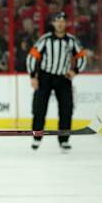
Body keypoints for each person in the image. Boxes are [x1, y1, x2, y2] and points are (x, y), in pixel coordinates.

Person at [26, 12, 87, 151]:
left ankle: (64, 139)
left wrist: (75, 71)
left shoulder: (71, 40)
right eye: (57, 21)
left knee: (66, 109)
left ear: (66, 23)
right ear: (53, 23)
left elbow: (82, 57)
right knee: (39, 109)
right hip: (45, 77)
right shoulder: (45, 39)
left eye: (63, 21)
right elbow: (32, 56)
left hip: (63, 78)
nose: (60, 23)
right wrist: (33, 76)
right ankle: (37, 137)